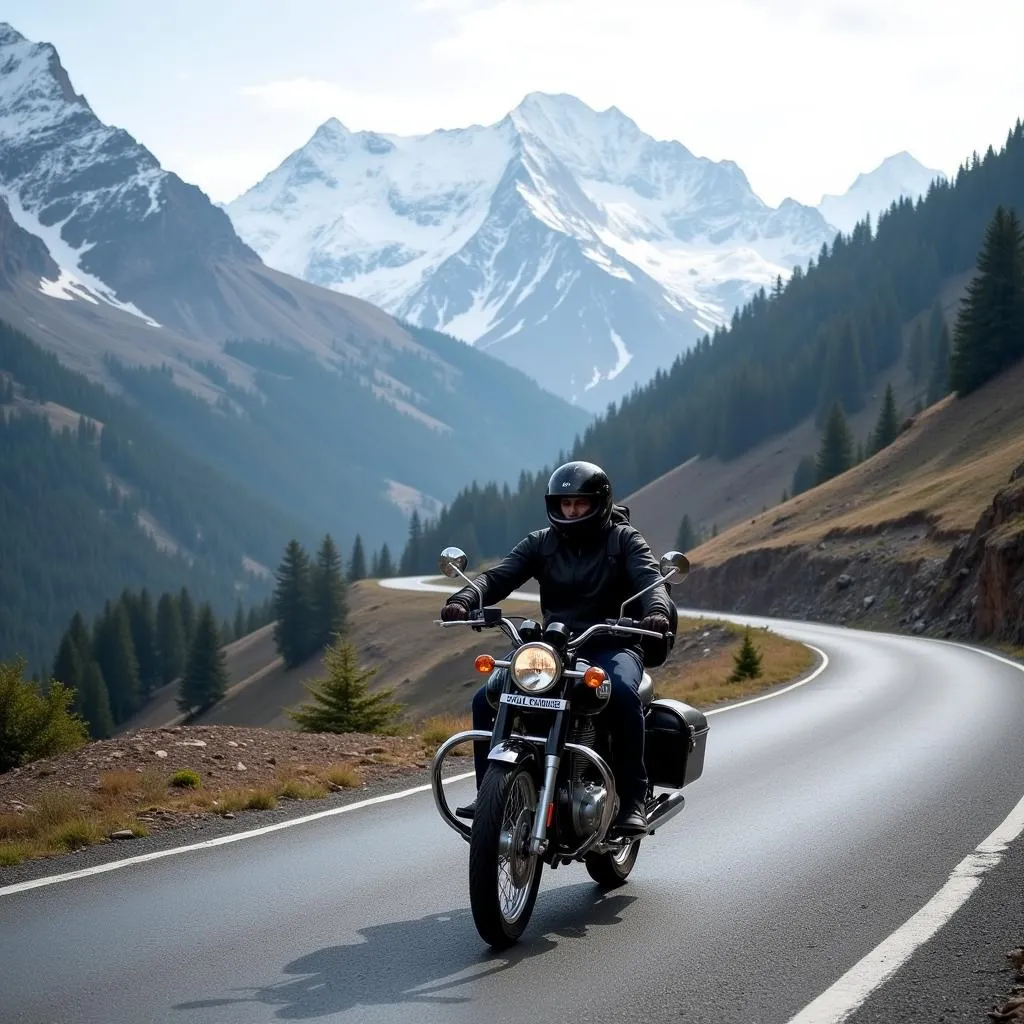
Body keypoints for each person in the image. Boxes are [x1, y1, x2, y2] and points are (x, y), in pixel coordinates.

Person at [440, 460, 673, 836]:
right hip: (556, 647)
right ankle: (490, 794)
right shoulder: (541, 542)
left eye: (580, 503)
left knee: (620, 694)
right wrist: (466, 598)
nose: (572, 511)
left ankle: (633, 798)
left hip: (612, 643)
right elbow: (499, 576)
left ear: (599, 502)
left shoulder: (624, 540)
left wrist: (657, 612)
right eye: (565, 504)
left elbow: (651, 579)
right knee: (489, 698)